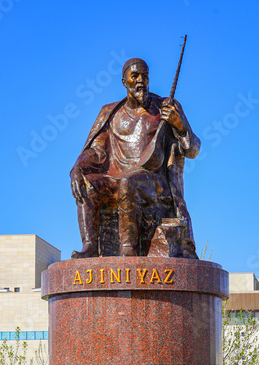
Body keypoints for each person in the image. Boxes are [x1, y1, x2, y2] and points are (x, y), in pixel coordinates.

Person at [70, 58, 200, 258]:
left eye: (145, 76)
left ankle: (128, 252)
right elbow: (96, 151)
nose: (141, 81)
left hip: (153, 182)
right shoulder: (110, 113)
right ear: (124, 82)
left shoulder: (165, 106)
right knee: (87, 184)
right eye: (135, 76)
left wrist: (181, 126)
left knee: (127, 182)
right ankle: (90, 247)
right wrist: (77, 167)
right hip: (116, 180)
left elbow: (193, 150)